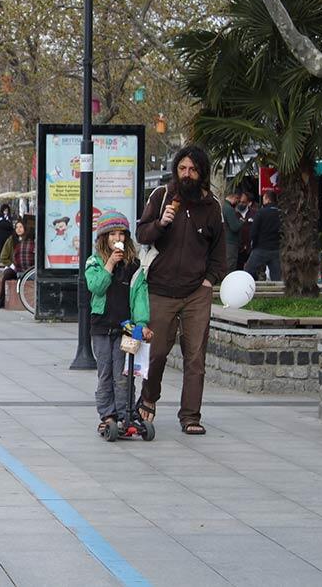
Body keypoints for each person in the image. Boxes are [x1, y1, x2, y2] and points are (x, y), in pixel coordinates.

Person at [136, 145, 225, 436]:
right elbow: (141, 233)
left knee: (195, 356)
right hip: (160, 289)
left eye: (193, 170)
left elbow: (219, 251)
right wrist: (161, 223)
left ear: (202, 173)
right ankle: (148, 397)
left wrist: (209, 280)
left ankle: (190, 416)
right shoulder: (161, 196)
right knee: (157, 352)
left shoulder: (212, 207)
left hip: (196, 291)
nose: (187, 174)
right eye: (182, 168)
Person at [85, 211, 153, 435]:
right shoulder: (94, 261)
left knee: (124, 373)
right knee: (105, 372)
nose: (117, 238)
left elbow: (140, 295)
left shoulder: (133, 265)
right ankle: (107, 414)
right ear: (104, 237)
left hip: (126, 327)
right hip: (102, 326)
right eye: (112, 234)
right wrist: (110, 264)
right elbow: (96, 287)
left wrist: (141, 323)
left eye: (121, 234)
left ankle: (126, 413)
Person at [0, 216, 35, 308]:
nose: (18, 229)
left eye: (21, 227)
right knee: (7, 274)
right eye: (16, 227)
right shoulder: (11, 240)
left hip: (27, 267)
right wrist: (12, 265)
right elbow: (3, 257)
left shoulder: (30, 240)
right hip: (13, 266)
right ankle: (1, 299)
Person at [245, 189, 282, 281]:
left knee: (249, 270)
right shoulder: (280, 213)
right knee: (276, 275)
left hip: (261, 247)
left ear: (268, 199)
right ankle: (277, 289)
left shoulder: (261, 212)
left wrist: (253, 244)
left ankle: (247, 285)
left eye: (264, 199)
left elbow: (254, 231)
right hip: (276, 248)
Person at [221, 187, 248, 272]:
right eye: (238, 200)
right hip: (231, 243)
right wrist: (241, 221)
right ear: (235, 197)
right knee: (231, 265)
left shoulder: (224, 207)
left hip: (226, 241)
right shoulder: (229, 209)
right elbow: (235, 227)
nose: (238, 202)